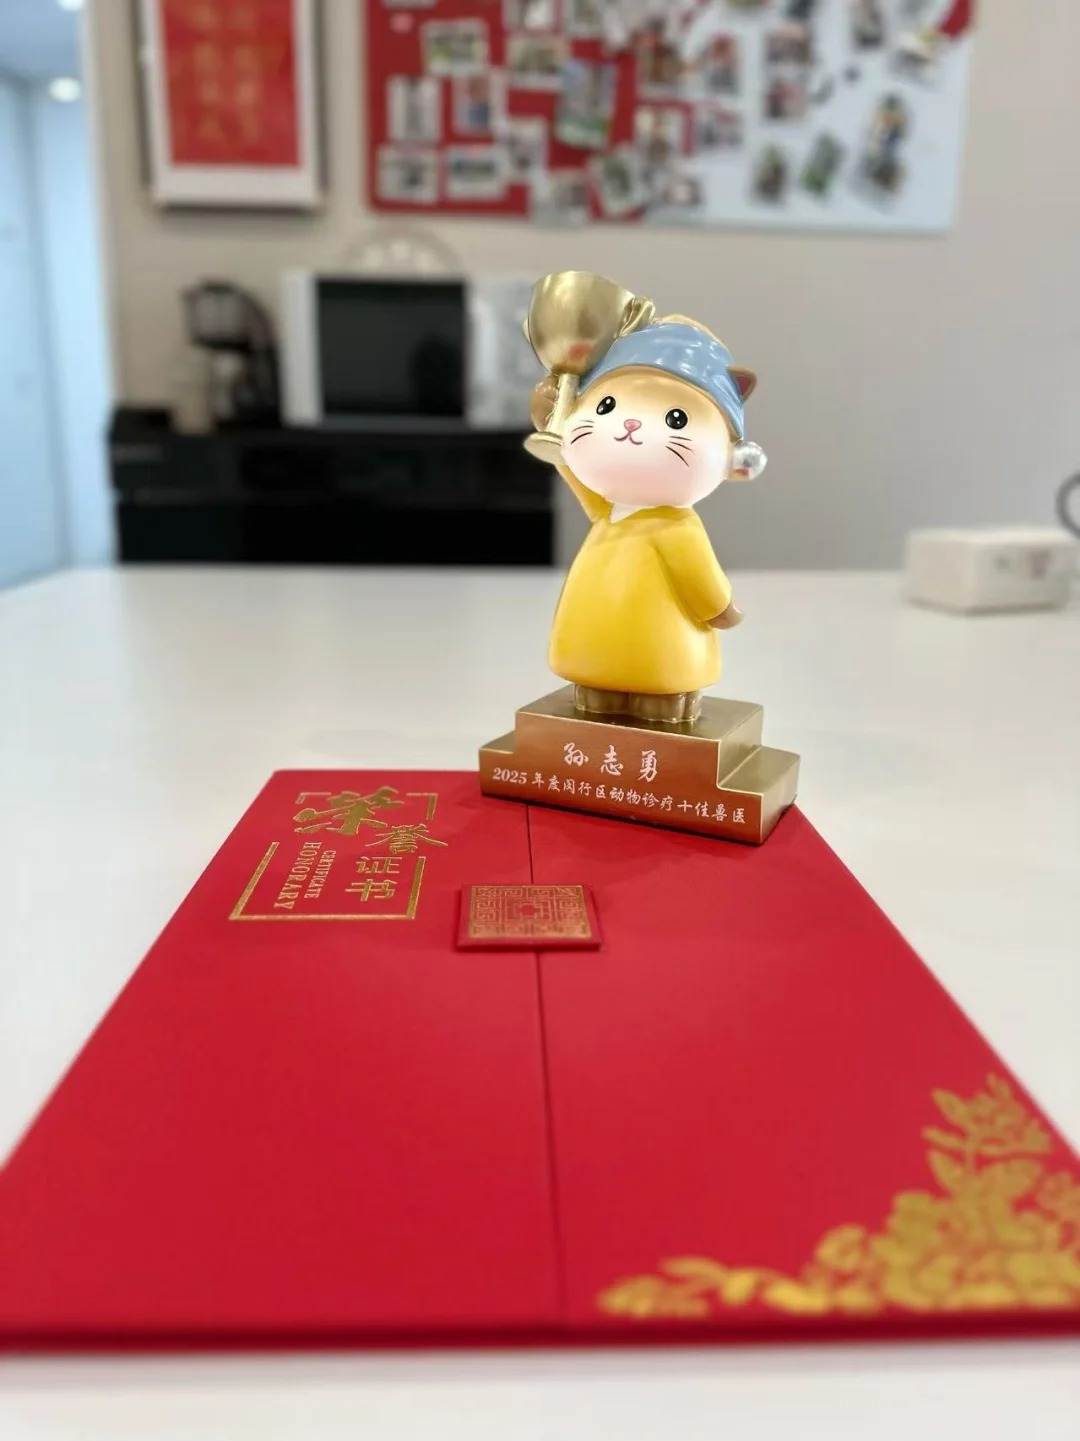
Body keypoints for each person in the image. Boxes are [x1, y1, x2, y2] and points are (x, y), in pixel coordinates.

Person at [530, 317, 766, 724]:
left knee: (660, 692)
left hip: (663, 652)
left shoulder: (677, 528)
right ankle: (599, 688)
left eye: (676, 419)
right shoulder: (611, 511)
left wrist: (720, 606)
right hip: (597, 646)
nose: (630, 426)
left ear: (734, 459)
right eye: (606, 406)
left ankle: (659, 696)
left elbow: (700, 579)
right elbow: (567, 464)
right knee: (597, 686)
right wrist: (549, 424)